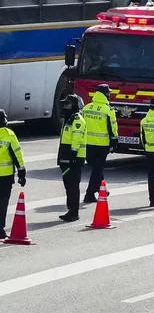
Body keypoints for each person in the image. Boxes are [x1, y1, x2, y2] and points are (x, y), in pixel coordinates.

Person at [81, 85, 117, 204]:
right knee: (97, 169)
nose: (109, 95)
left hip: (87, 144)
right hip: (101, 145)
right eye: (109, 93)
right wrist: (114, 141)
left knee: (97, 168)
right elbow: (113, 128)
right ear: (105, 94)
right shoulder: (108, 110)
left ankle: (103, 189)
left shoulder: (86, 108)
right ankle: (89, 194)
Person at [57, 94, 87, 222]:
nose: (64, 106)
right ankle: (71, 209)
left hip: (74, 158)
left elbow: (77, 138)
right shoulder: (68, 119)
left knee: (73, 185)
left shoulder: (77, 120)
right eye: (64, 104)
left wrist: (73, 155)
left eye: (67, 104)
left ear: (74, 105)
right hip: (65, 156)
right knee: (68, 185)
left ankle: (74, 212)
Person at [0, 110, 26, 238]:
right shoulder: (8, 134)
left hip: (5, 176)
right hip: (4, 176)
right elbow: (17, 154)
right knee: (2, 203)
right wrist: (21, 171)